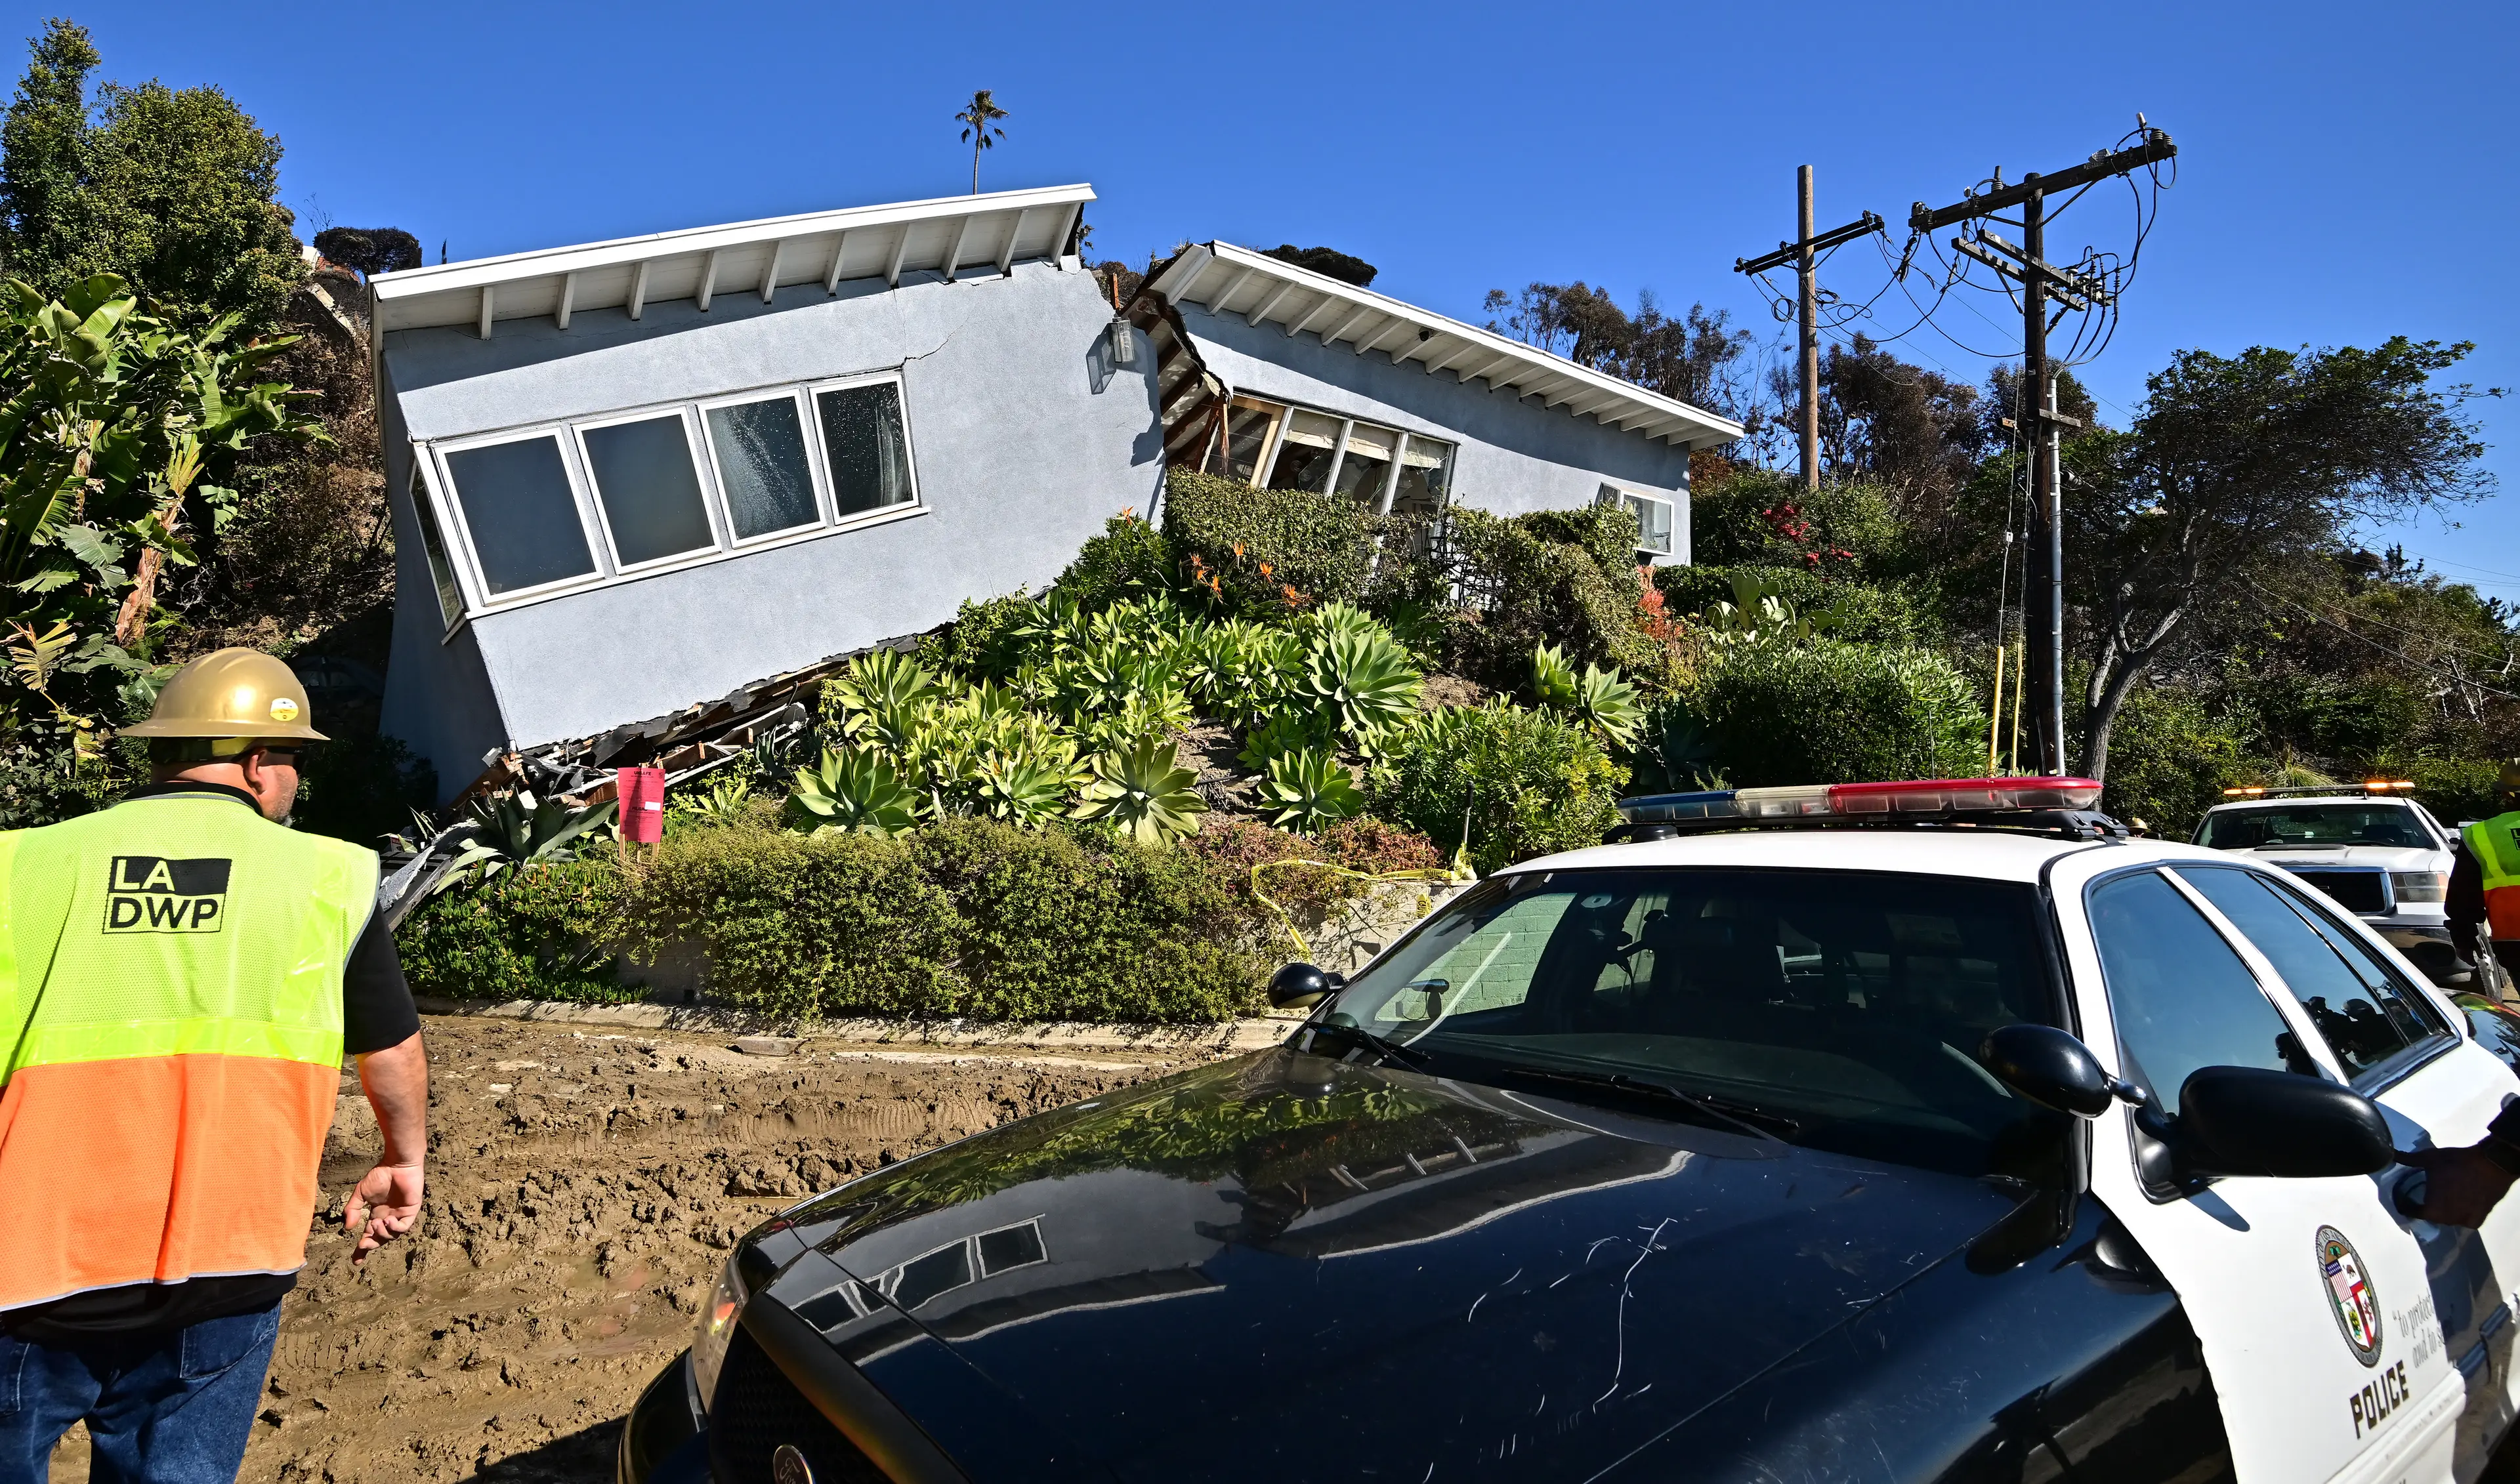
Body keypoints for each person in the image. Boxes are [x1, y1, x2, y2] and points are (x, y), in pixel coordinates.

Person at [0, 648, 427, 1483]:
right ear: (259, 762)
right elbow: (392, 1048)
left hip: (31, 1262)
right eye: (295, 758)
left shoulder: (19, 863)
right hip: (227, 1261)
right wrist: (401, 1159)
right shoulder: (327, 877)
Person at [2450, 760, 2520, 994]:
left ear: (2506, 794)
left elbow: (2464, 898)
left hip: (2514, 943)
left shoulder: (2481, 835)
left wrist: (2464, 940)